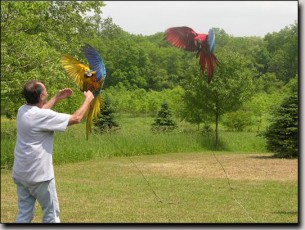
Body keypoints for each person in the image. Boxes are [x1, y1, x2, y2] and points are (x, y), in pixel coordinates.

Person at [12, 80, 94, 223]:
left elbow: (40, 112)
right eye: (46, 91)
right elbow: (76, 118)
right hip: (40, 177)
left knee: (24, 215)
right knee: (51, 216)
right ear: (41, 96)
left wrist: (56, 98)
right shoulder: (40, 116)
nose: (48, 92)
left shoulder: (22, 110)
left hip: (21, 174)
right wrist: (88, 99)